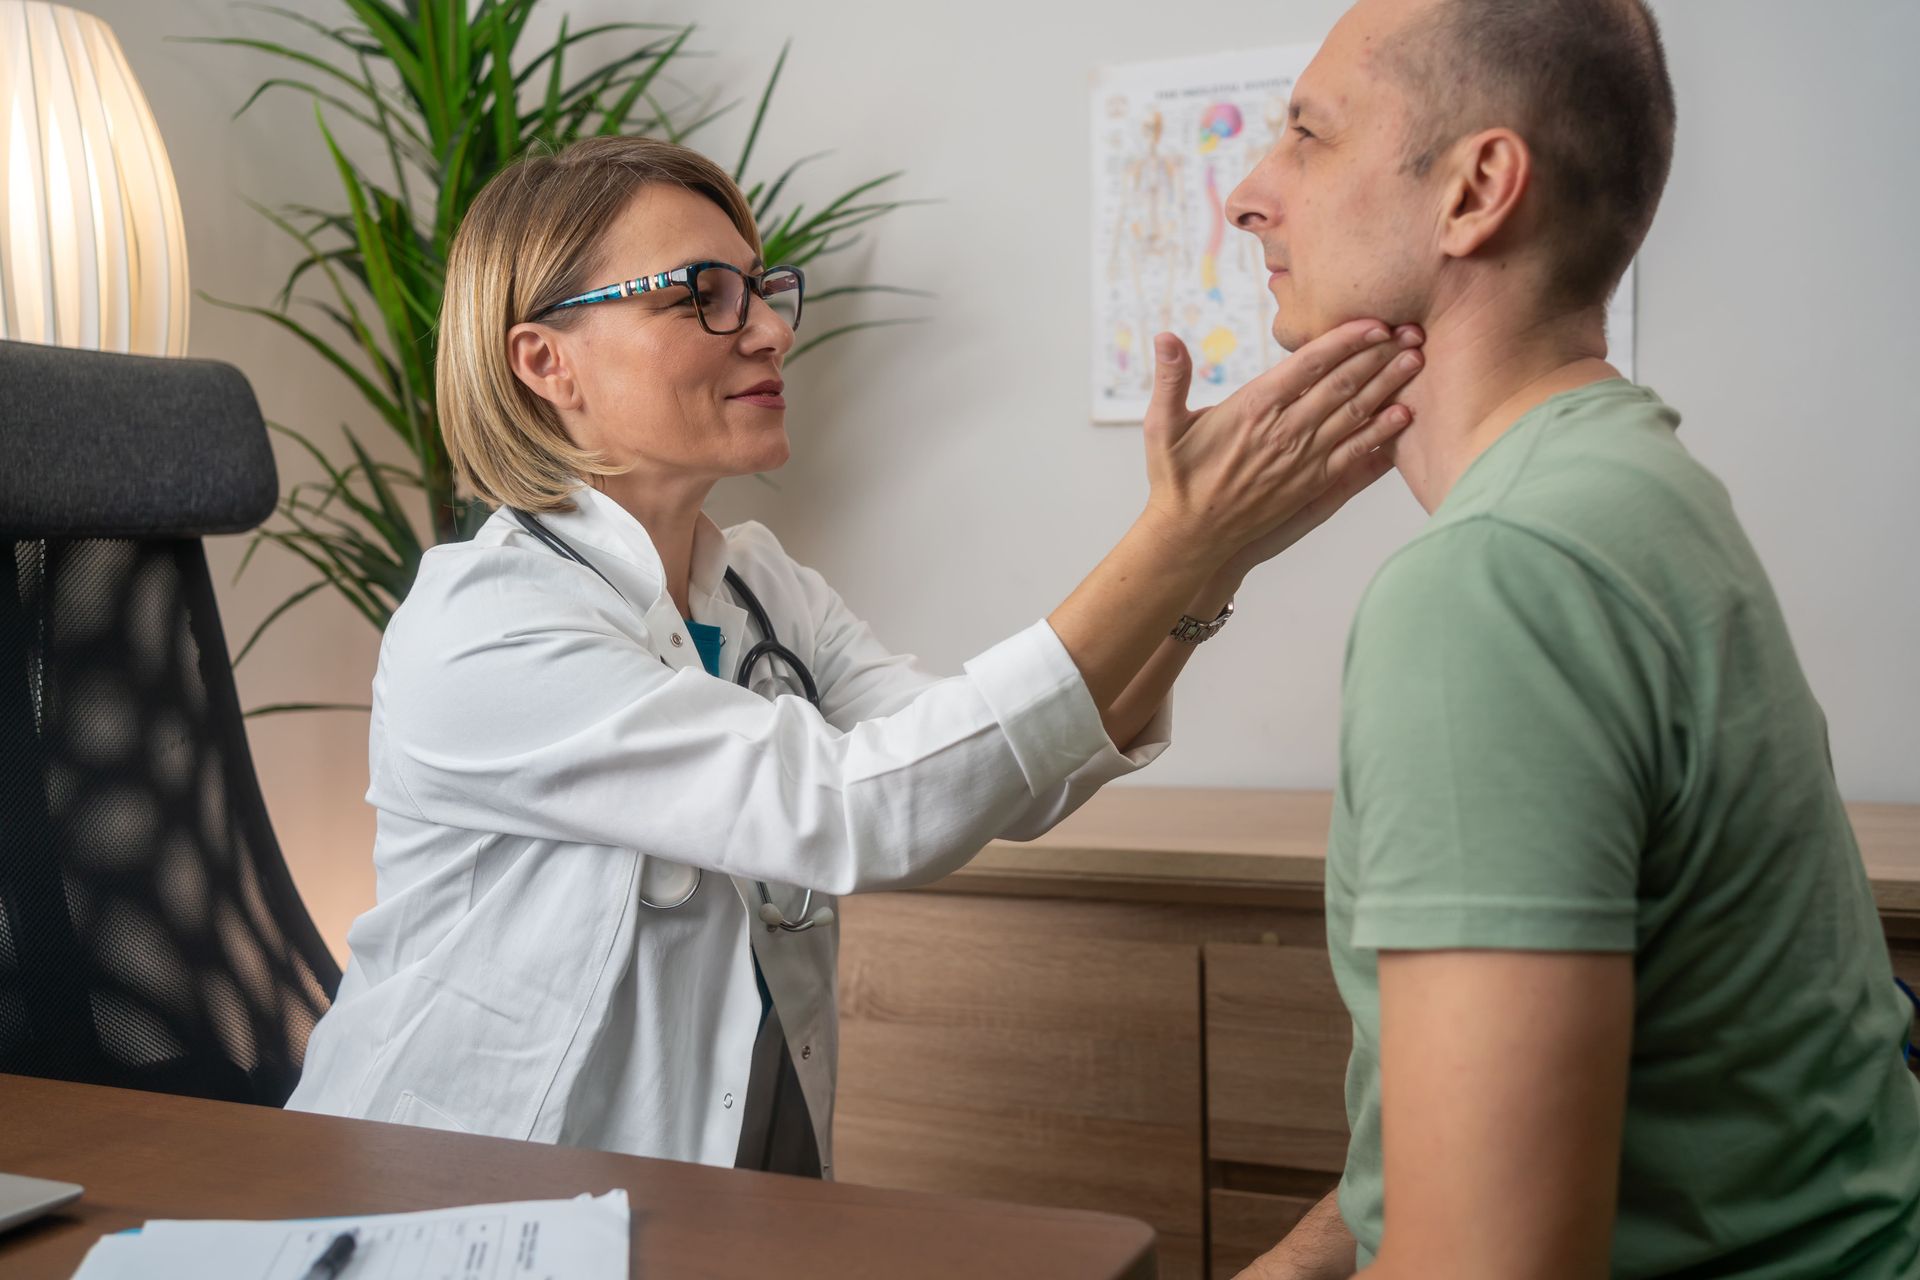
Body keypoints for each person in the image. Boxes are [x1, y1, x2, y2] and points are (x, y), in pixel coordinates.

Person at [286, 135, 1425, 1175]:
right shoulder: (485, 623)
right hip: (446, 1200)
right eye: (704, 295)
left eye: (762, 289)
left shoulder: (761, 588)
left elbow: (995, 776)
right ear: (545, 362)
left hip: (702, 1199)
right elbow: (855, 810)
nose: (773, 328)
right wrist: (1176, 536)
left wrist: (1209, 565)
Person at [1222, 0, 1920, 1276]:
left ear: (1477, 190)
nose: (1249, 195)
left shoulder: (1496, 583)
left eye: (1308, 138)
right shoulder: (1633, 485)